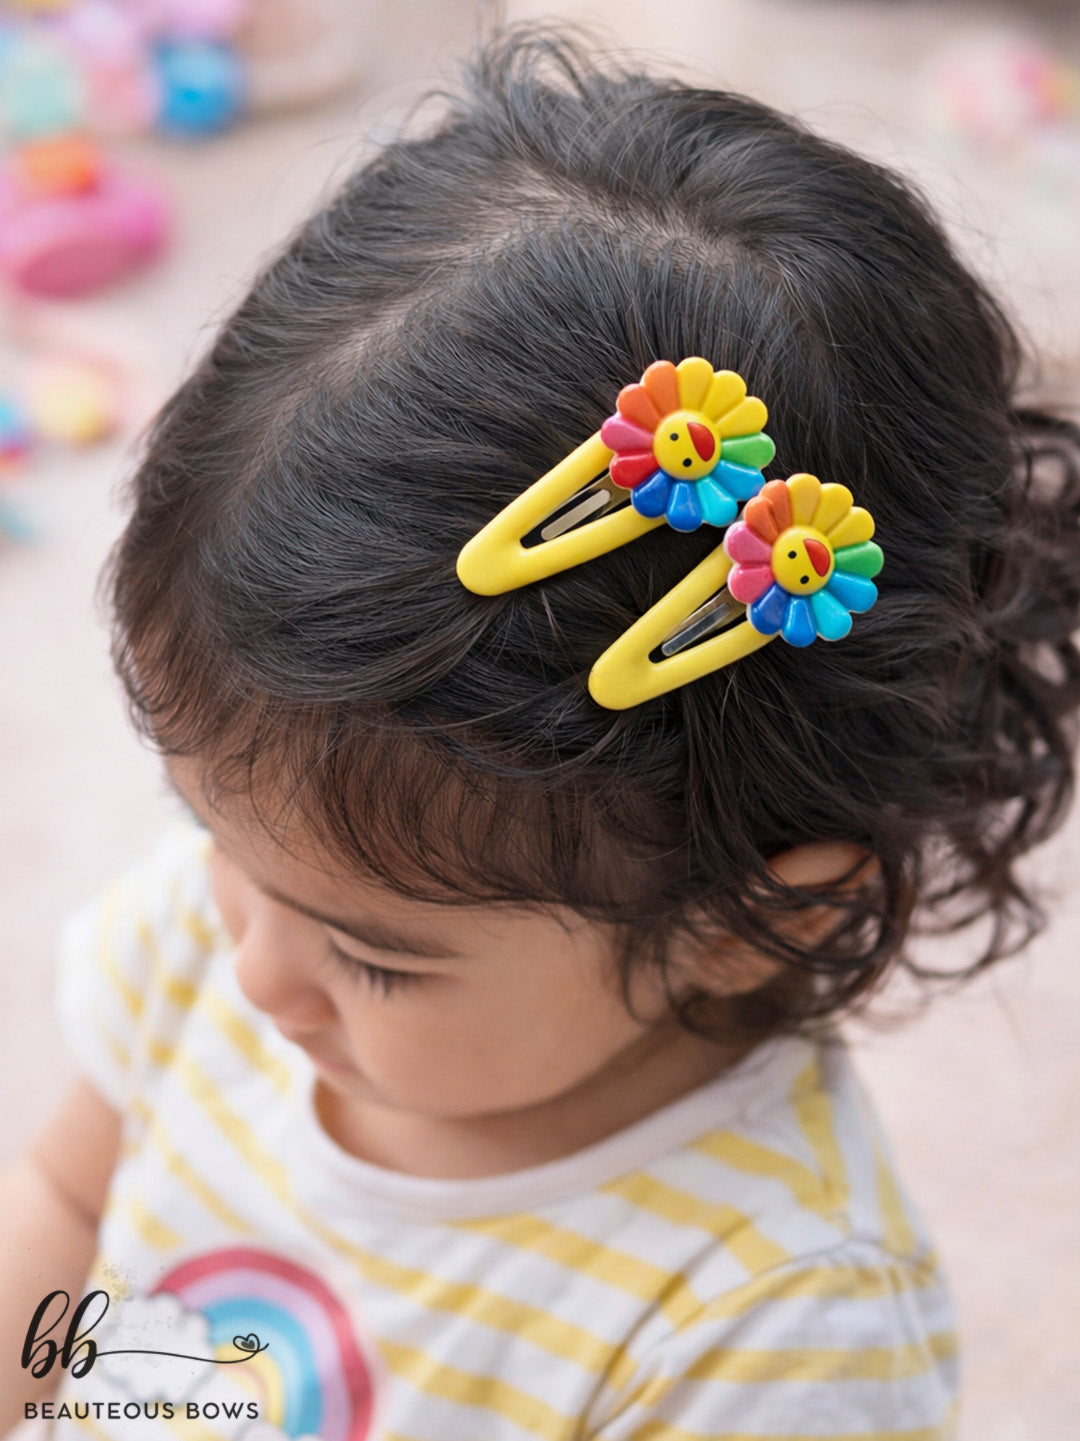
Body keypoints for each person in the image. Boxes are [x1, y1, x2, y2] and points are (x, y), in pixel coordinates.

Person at [3, 25, 1079, 1441]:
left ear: (745, 923)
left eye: (378, 960)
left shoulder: (772, 1327)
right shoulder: (246, 916)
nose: (253, 968)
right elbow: (64, 1197)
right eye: (210, 835)